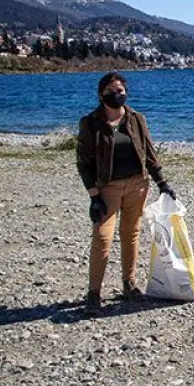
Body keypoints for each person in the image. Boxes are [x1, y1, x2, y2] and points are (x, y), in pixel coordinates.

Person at [76, 71, 176, 315]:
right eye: (111, 91)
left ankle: (129, 284)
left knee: (131, 234)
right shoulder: (90, 123)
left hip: (137, 185)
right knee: (102, 238)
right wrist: (93, 195)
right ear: (101, 95)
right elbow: (84, 162)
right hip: (107, 188)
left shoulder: (136, 119)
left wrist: (162, 183)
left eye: (120, 90)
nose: (116, 95)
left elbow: (150, 154)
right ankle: (93, 293)